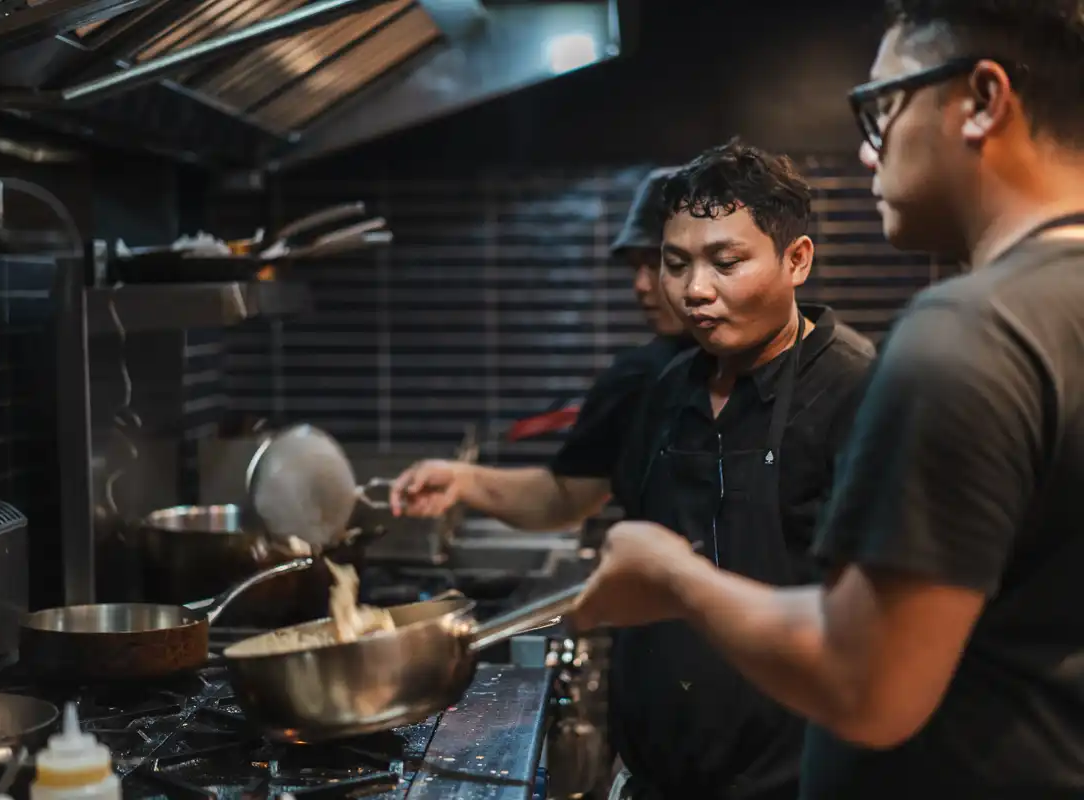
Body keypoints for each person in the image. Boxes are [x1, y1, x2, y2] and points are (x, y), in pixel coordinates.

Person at [573, 2, 1084, 798]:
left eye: (882, 108)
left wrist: (671, 576)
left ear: (984, 100)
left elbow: (866, 683)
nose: (866, 149)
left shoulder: (968, 333)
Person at [595, 140, 874, 800]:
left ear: (796, 259)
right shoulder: (666, 393)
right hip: (656, 779)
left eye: (726, 263)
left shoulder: (857, 394)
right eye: (676, 264)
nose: (695, 291)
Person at [387, 167, 691, 529]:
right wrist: (462, 479)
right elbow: (564, 497)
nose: (640, 284)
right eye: (635, 266)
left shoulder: (750, 375)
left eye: (658, 263)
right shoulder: (634, 378)